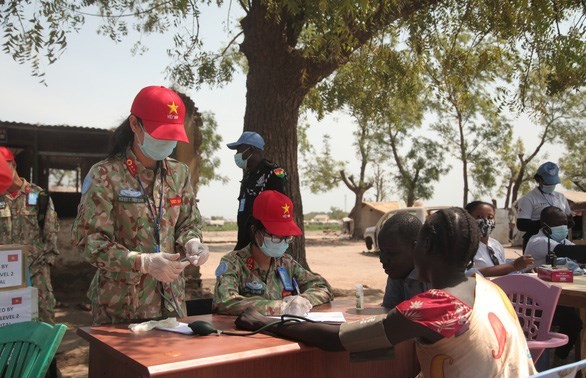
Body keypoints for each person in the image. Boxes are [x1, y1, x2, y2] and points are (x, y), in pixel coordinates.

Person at [235, 208, 536, 377]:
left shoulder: (437, 306)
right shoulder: (491, 290)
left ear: (424, 247)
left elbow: (338, 340)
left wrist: (265, 322)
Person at [72, 85, 209, 324]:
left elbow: (188, 222)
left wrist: (193, 242)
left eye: (172, 136)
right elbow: (90, 242)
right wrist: (143, 262)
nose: (167, 143)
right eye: (160, 135)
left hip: (171, 305)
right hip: (121, 308)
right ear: (135, 125)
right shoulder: (105, 175)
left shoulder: (179, 174)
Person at [213, 190, 333, 315]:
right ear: (255, 231)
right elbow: (224, 301)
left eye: (287, 237)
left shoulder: (286, 263)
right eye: (276, 236)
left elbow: (323, 287)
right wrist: (281, 307)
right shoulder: (233, 263)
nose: (283, 242)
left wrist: (302, 301)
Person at [0, 146, 60, 324]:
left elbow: (50, 234)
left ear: (13, 165)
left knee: (43, 319)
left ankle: (46, 352)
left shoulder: (38, 196)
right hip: (4, 275)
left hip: (36, 272)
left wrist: (45, 266)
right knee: (8, 322)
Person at [526, 205, 586, 360]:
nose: (563, 228)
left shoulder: (563, 241)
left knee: (574, 318)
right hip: (534, 301)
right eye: (558, 224)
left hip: (558, 294)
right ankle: (559, 363)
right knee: (573, 322)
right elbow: (570, 252)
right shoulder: (538, 241)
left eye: (565, 223)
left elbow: (579, 255)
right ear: (545, 226)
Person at [227, 132, 287, 250]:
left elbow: (279, 211)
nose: (237, 154)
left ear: (252, 149)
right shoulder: (248, 176)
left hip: (263, 244)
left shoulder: (273, 173)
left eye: (239, 150)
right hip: (245, 242)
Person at [465, 201, 533, 276]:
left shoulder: (496, 245)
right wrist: (513, 266)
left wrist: (523, 267)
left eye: (490, 217)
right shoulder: (465, 246)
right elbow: (468, 274)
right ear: (468, 219)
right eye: (479, 217)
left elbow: (502, 266)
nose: (486, 221)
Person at [517, 161, 573, 251]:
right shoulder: (528, 199)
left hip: (559, 241)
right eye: (548, 183)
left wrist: (562, 226)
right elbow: (522, 225)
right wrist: (548, 223)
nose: (551, 186)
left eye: (553, 184)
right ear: (538, 180)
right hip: (537, 241)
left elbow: (569, 220)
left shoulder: (561, 197)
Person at [378, 212, 429, 309]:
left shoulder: (432, 278)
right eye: (381, 252)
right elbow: (389, 310)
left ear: (416, 248)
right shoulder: (397, 273)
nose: (383, 260)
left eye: (392, 253)